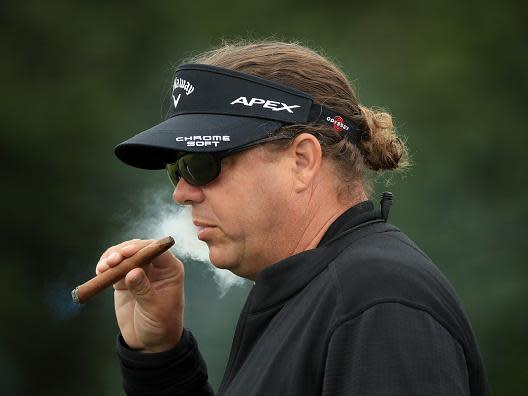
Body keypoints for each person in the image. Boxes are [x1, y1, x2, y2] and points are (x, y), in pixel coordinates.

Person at [96, 41, 490, 395]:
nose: (181, 192)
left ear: (302, 161)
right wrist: (160, 357)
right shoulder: (320, 292)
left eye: (201, 163)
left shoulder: (377, 301)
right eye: (176, 169)